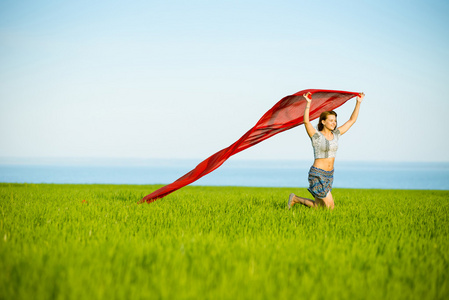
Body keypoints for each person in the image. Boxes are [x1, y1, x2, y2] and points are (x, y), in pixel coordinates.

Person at [288, 91, 365, 210]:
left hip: (329, 175)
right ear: (323, 122)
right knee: (330, 207)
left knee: (318, 207)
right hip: (317, 173)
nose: (334, 123)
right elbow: (306, 122)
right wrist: (308, 103)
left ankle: (295, 199)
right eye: (331, 120)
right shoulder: (316, 136)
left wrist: (358, 103)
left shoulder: (336, 134)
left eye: (335, 120)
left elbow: (351, 121)